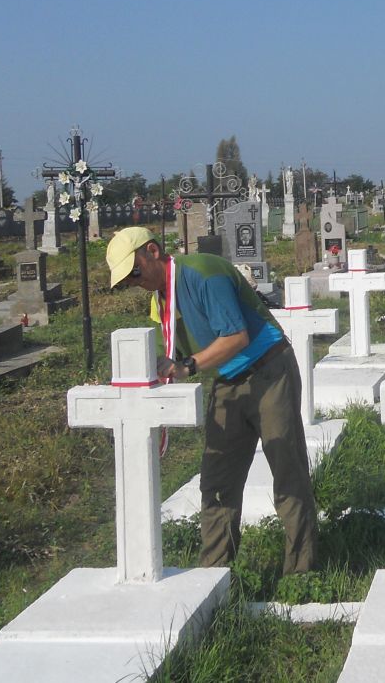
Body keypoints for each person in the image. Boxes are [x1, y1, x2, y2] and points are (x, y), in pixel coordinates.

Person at [106, 226, 317, 574]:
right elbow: (170, 351)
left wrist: (187, 366)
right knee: (218, 481)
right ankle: (215, 577)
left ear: (153, 251)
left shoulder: (204, 273)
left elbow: (235, 336)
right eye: (127, 280)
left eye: (135, 272)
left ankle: (302, 572)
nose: (134, 282)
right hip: (226, 380)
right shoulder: (160, 300)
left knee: (287, 469)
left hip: (268, 370)